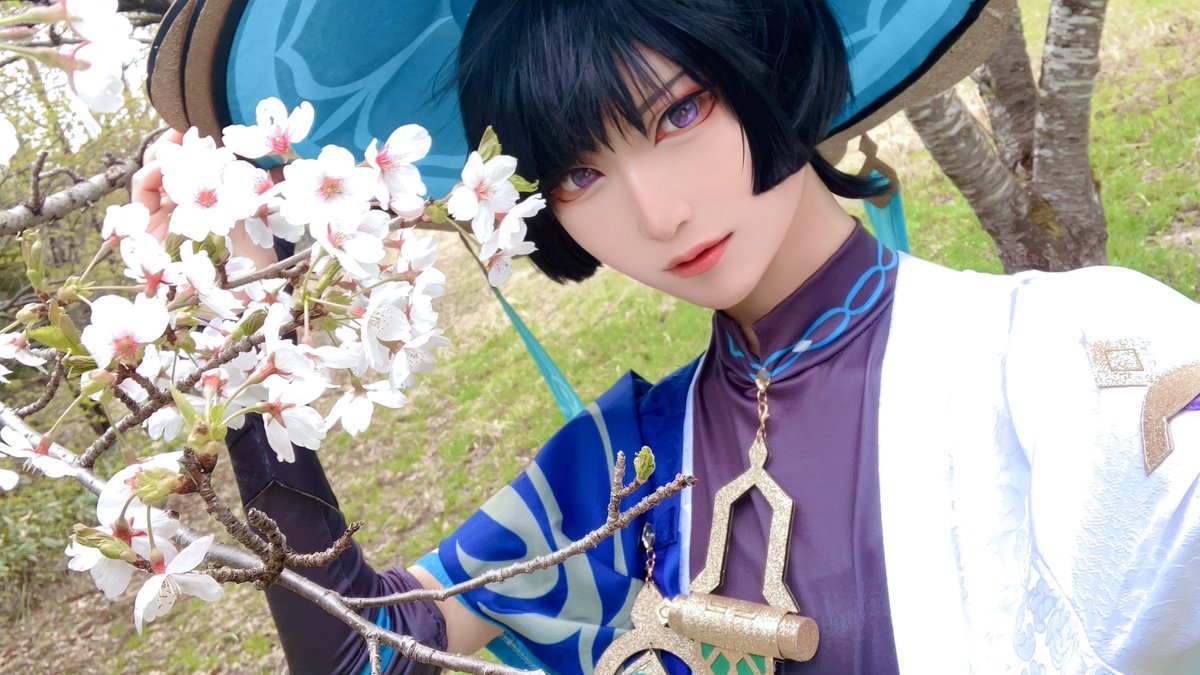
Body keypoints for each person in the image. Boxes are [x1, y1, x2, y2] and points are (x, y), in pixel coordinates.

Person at [134, 0, 1200, 673]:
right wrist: (247, 355)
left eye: (680, 111)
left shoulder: (1065, 352)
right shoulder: (623, 471)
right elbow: (368, 656)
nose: (656, 213)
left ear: (767, 55)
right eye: (579, 171)